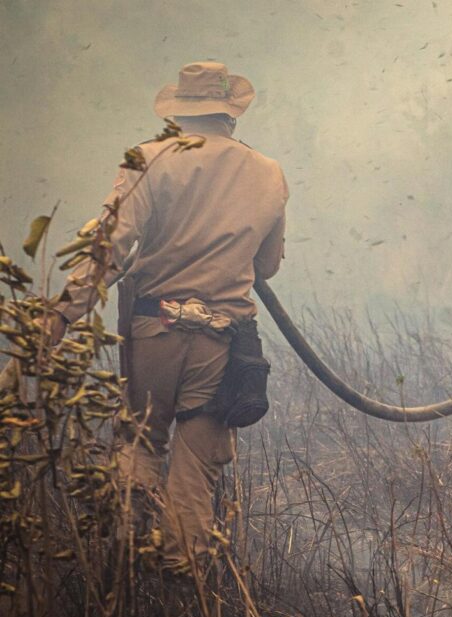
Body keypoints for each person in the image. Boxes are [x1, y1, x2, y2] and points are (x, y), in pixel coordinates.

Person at [47, 61, 288, 569]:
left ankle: (121, 571)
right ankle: (184, 582)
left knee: (138, 444)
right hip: (223, 342)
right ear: (231, 115)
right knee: (197, 468)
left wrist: (63, 315)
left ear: (179, 113)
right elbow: (266, 265)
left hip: (154, 329)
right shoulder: (268, 172)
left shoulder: (148, 159)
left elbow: (109, 248)